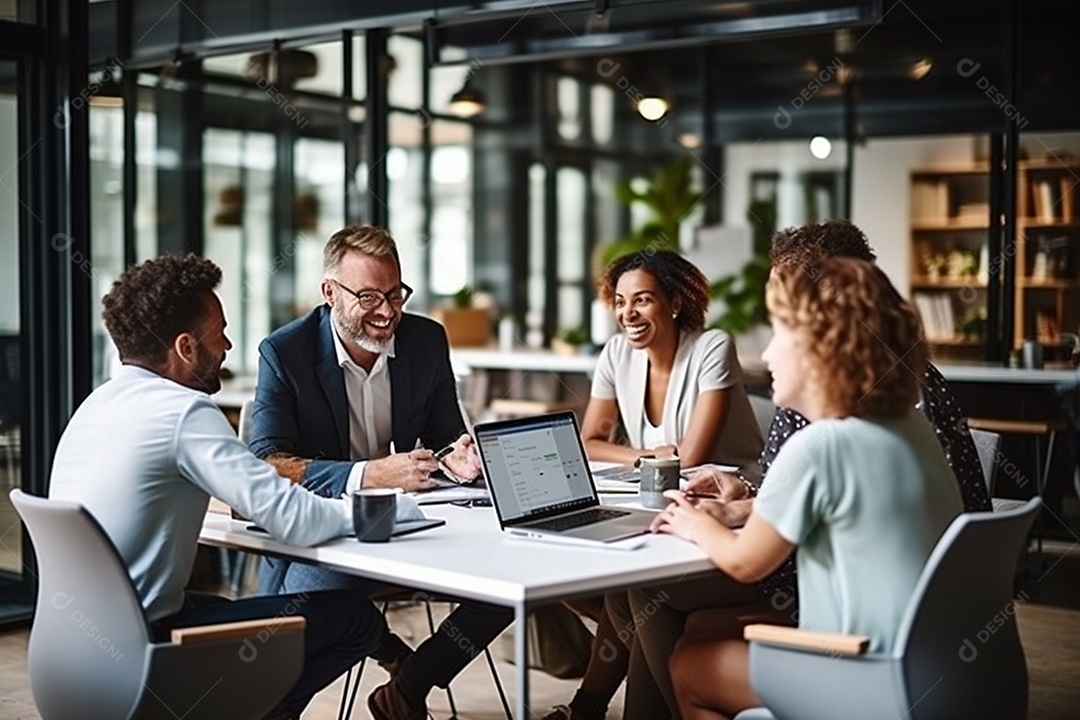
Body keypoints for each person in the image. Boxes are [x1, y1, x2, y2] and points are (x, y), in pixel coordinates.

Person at [612, 219, 993, 719]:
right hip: (950, 669)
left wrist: (696, 521)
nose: (766, 351)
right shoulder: (905, 424)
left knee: (689, 666)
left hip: (866, 672)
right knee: (697, 633)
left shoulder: (818, 444)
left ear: (822, 340)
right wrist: (747, 500)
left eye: (781, 332)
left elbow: (747, 562)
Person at [49, 255, 396, 720]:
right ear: (186, 347)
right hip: (141, 655)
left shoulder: (95, 407)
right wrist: (375, 510)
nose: (229, 344)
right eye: (220, 332)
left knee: (257, 614)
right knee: (353, 618)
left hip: (68, 655)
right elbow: (293, 519)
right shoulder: (184, 412)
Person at [248, 224, 513, 720]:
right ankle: (289, 704)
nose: (388, 311)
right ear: (329, 293)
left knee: (511, 574)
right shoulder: (286, 352)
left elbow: (444, 439)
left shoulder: (427, 340)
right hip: (327, 533)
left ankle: (410, 683)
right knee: (306, 612)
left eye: (395, 294)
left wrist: (458, 458)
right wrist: (368, 475)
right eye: (368, 296)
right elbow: (268, 465)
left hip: (408, 526)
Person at [543, 250, 764, 720]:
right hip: (656, 501)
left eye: (642, 300)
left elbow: (694, 455)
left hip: (731, 504)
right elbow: (590, 440)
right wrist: (650, 455)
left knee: (633, 593)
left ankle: (587, 708)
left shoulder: (710, 348)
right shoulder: (617, 354)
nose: (628, 314)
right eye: (621, 302)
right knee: (577, 571)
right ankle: (590, 708)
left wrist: (659, 456)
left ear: (674, 303)